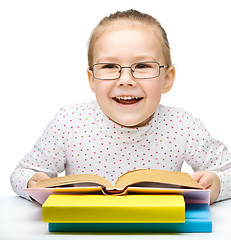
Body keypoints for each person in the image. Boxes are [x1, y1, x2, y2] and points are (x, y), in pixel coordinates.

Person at [11, 9, 231, 204]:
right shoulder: (69, 123)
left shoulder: (182, 125)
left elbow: (227, 172)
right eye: (109, 66)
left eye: (142, 65)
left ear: (167, 78)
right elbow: (21, 173)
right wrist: (32, 182)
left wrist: (217, 184)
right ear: (92, 80)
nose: (126, 79)